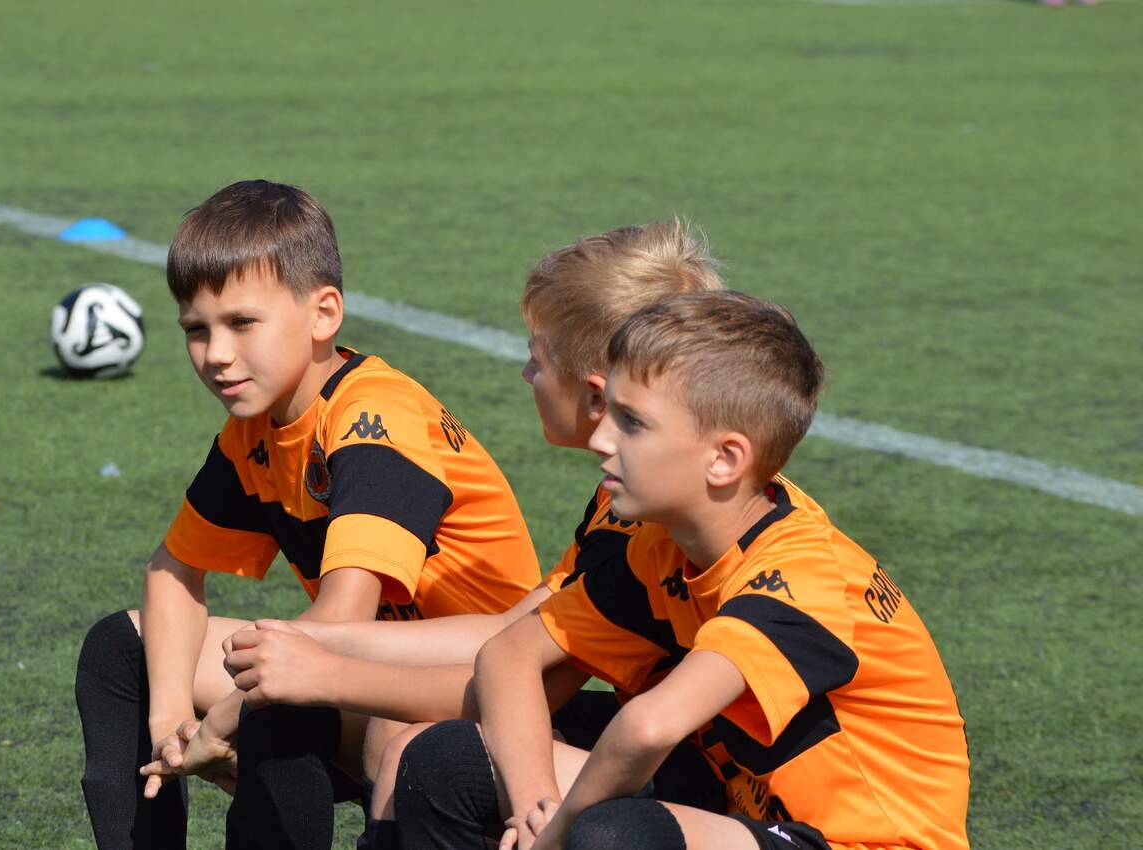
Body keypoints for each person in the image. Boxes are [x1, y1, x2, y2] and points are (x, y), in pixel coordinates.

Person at [141, 219, 727, 849]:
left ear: (594, 397)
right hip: (666, 747)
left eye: (538, 358)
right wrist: (300, 654)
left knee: (426, 754)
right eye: (197, 330)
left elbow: (543, 683)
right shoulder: (620, 507)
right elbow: (512, 638)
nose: (525, 373)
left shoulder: (659, 523)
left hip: (727, 789)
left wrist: (306, 675)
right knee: (390, 735)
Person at [395, 291, 971, 850]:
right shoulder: (659, 544)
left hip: (856, 840)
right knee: (449, 759)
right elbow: (508, 653)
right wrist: (533, 806)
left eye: (632, 422)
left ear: (724, 459)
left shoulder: (804, 575)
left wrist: (555, 833)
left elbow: (649, 727)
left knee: (615, 837)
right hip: (729, 801)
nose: (601, 437)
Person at [74, 179, 541, 850]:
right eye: (197, 330)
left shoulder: (374, 417)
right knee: (125, 648)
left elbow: (342, 620)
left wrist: (222, 720)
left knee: (278, 687)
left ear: (323, 315)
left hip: (477, 693)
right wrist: (172, 722)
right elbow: (173, 571)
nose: (216, 354)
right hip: (363, 680)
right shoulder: (254, 432)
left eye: (242, 323)